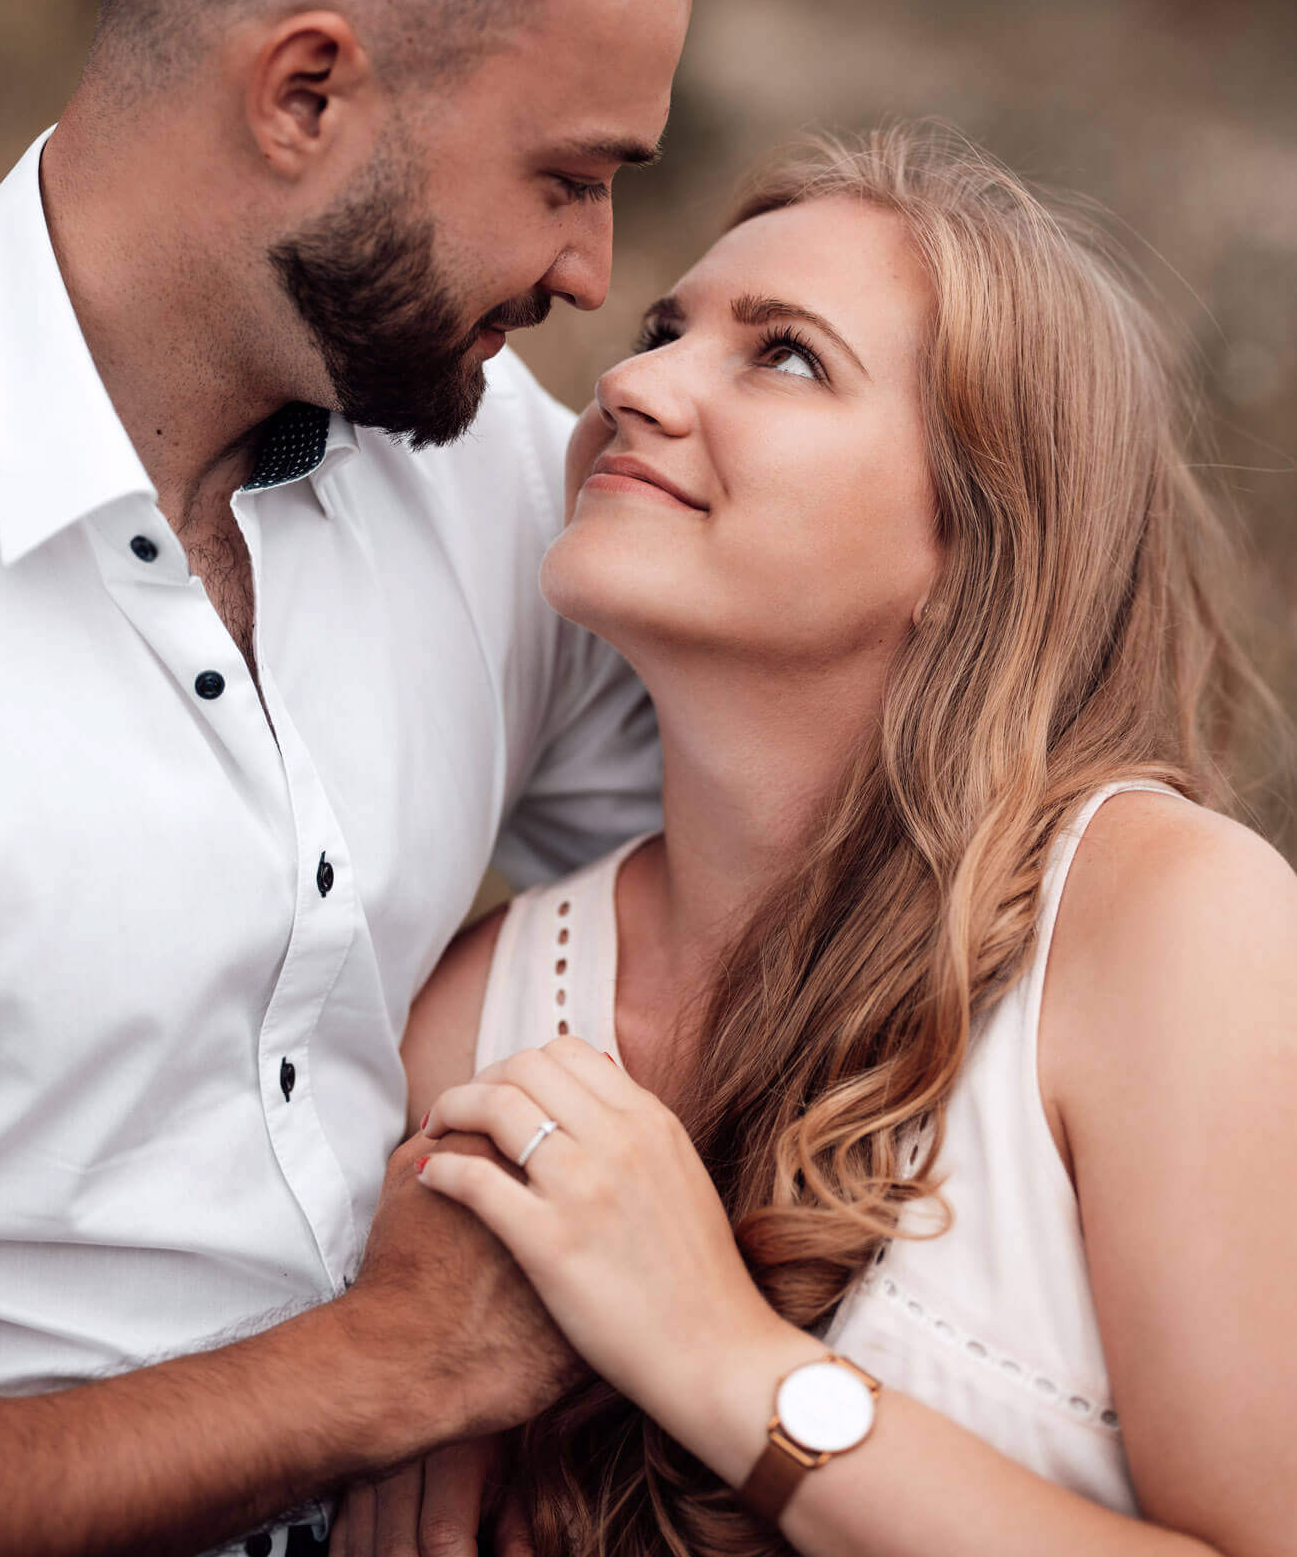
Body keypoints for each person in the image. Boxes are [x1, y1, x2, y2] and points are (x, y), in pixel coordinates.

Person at [0, 0, 728, 1555]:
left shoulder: (492, 466)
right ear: (305, 93)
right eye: (568, 177)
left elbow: (805, 832)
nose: (593, 271)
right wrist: (380, 1376)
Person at [400, 129, 1297, 1557]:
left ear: (975, 543)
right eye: (664, 332)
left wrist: (714, 1353)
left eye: (787, 357)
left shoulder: (1166, 926)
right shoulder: (477, 1015)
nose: (631, 384)